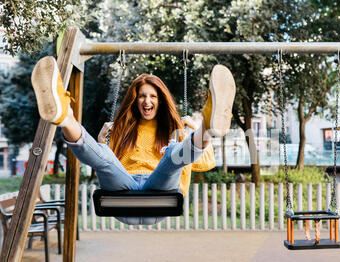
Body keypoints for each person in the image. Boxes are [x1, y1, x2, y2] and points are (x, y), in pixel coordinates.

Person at [31, 56, 236, 225]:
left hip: (161, 197)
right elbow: (108, 167)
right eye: (141, 96)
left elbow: (207, 163)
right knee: (105, 159)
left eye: (153, 96)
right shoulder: (121, 131)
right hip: (123, 197)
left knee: (173, 156)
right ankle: (65, 117)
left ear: (161, 100)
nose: (147, 101)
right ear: (134, 100)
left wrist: (192, 128)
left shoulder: (175, 130)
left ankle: (207, 128)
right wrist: (102, 143)